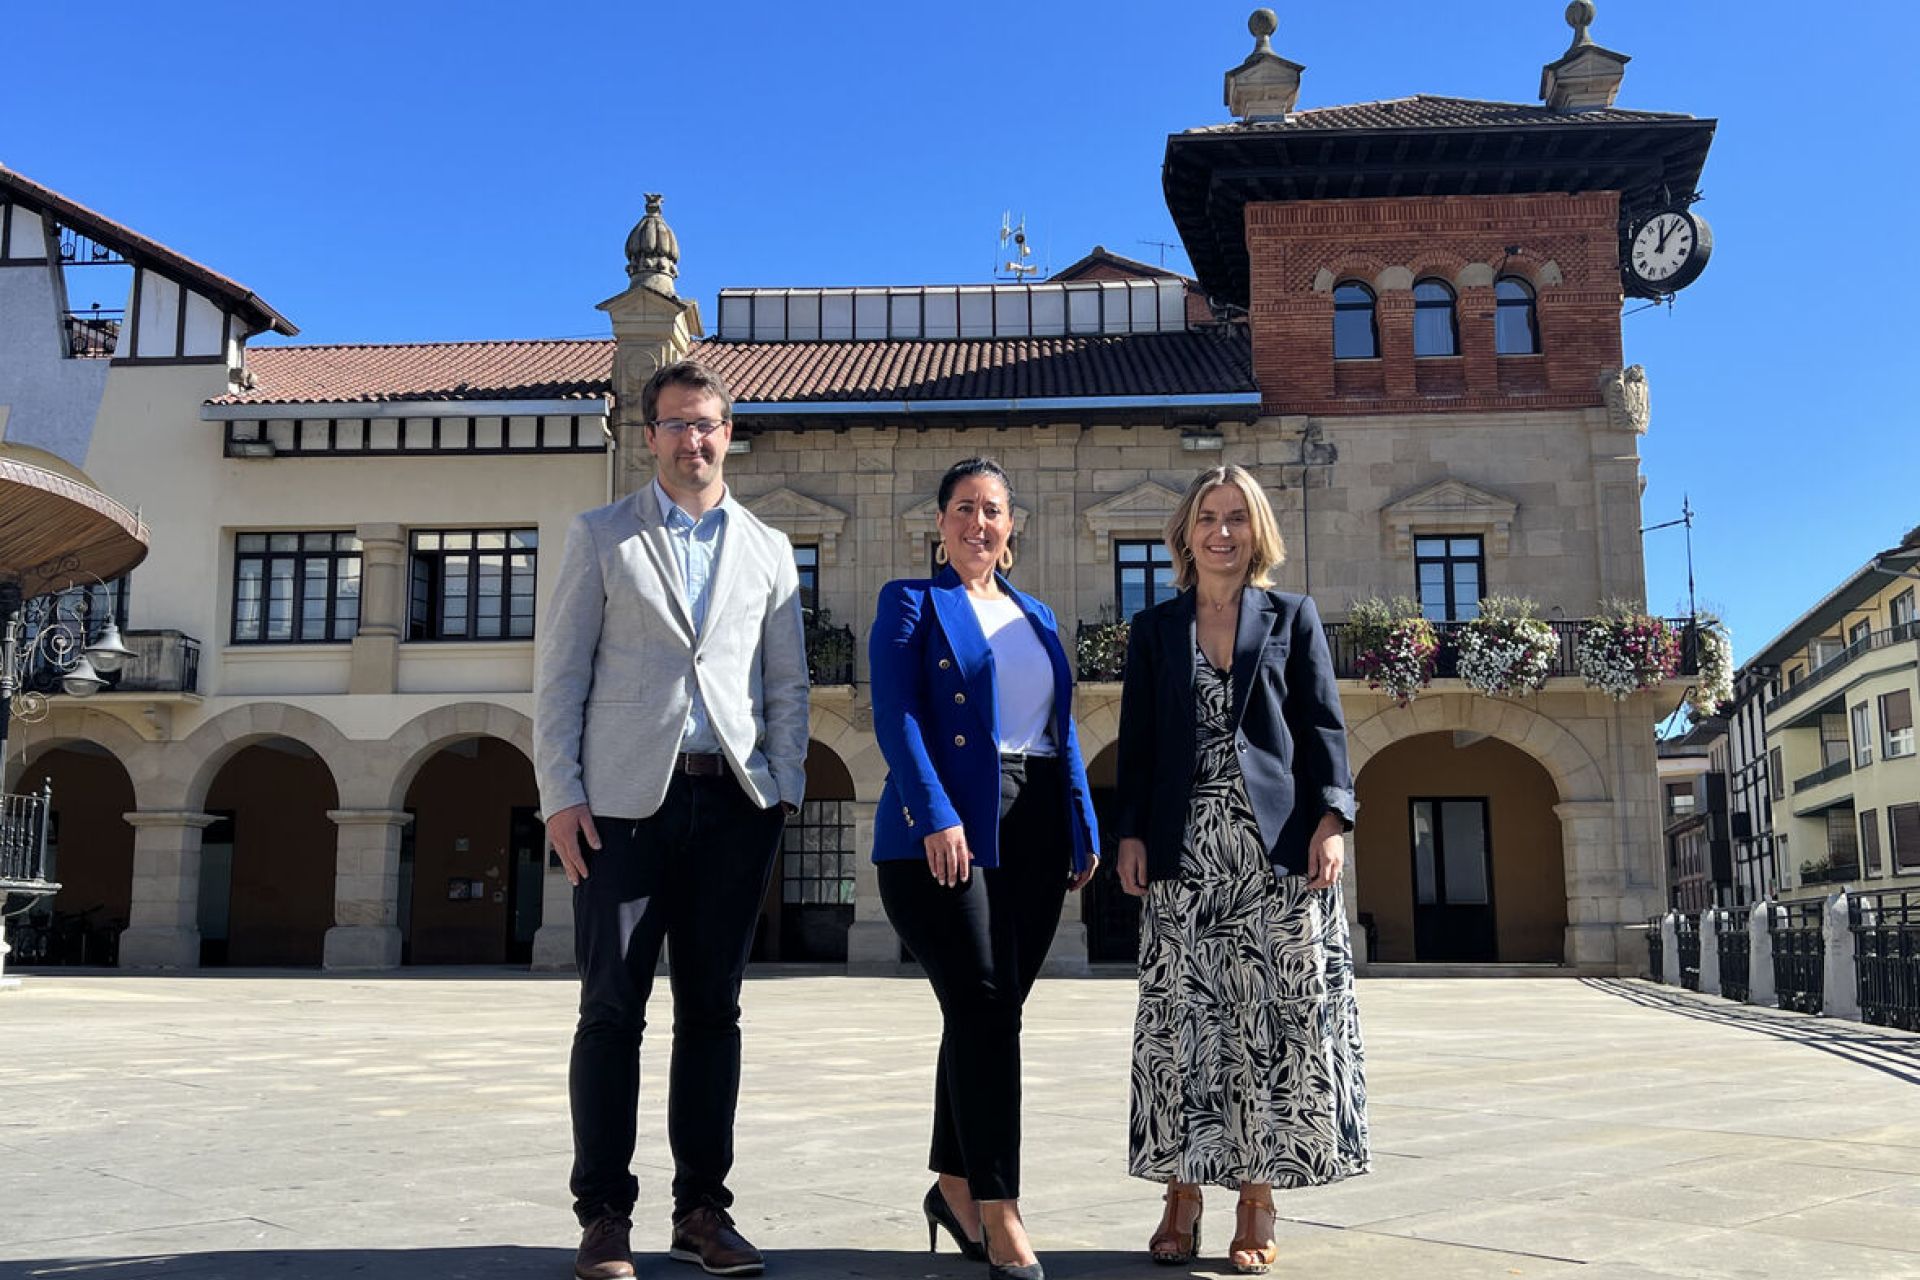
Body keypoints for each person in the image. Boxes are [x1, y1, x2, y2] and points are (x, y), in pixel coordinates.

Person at [534, 358, 810, 1280]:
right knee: (610, 1011)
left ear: (730, 434)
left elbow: (786, 683)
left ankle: (703, 1212)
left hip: (734, 802)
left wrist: (785, 787)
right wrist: (561, 795)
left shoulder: (769, 549)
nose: (695, 440)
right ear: (647, 435)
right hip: (621, 810)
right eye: (677, 424)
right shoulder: (600, 535)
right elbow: (562, 674)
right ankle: (603, 1215)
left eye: (709, 424)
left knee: (713, 1014)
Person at [1113, 464, 1369, 1275]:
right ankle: (1181, 1193)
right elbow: (1140, 744)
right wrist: (1131, 834)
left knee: (1270, 1024)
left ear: (1258, 531)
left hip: (1278, 849)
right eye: (1208, 518)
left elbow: (1324, 725)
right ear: (1186, 534)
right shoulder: (1155, 629)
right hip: (1185, 852)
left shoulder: (1293, 616)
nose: (1222, 532)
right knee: (1184, 1021)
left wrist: (1332, 818)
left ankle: (1256, 1195)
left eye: (1237, 518)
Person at [867, 458, 1100, 1280]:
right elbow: (894, 715)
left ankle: (953, 1184)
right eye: (963, 508)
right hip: (947, 827)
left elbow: (1060, 727)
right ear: (939, 524)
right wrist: (935, 813)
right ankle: (1001, 1212)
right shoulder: (911, 603)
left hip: (1035, 822)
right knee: (987, 1010)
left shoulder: (1036, 614)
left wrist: (1082, 819)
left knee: (983, 1015)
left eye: (993, 510)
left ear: (1012, 527)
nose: (978, 523)